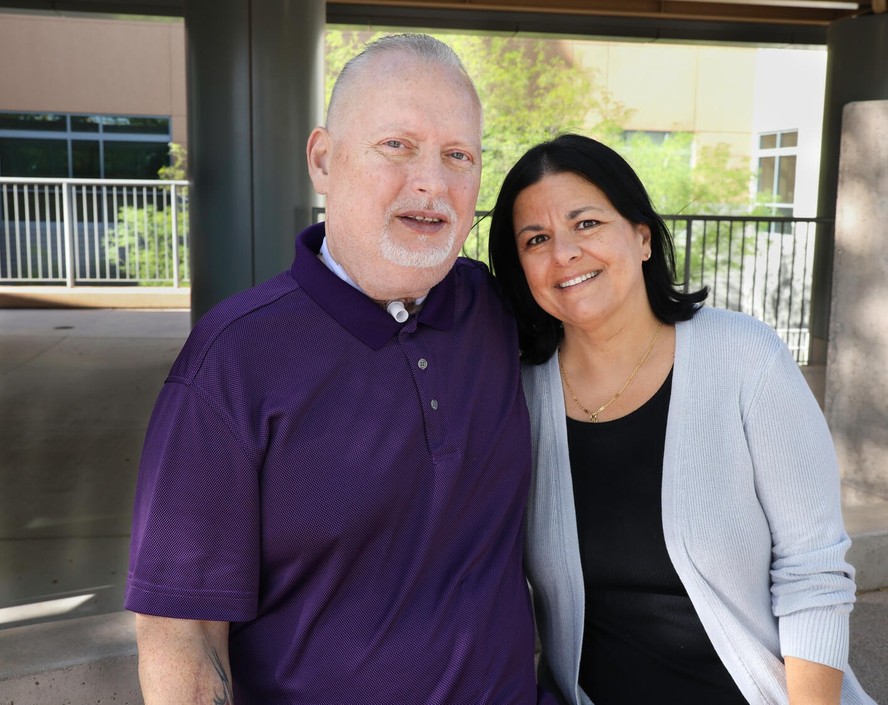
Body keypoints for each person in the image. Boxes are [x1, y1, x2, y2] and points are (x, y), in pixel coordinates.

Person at [126, 34, 554, 705]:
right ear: (324, 159)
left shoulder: (496, 312)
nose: (432, 183)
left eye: (458, 155)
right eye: (398, 145)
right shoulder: (231, 362)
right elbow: (182, 636)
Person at [488, 133, 876, 705]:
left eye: (587, 224)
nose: (563, 253)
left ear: (642, 237)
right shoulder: (515, 395)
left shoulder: (745, 356)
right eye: (536, 239)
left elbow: (812, 572)